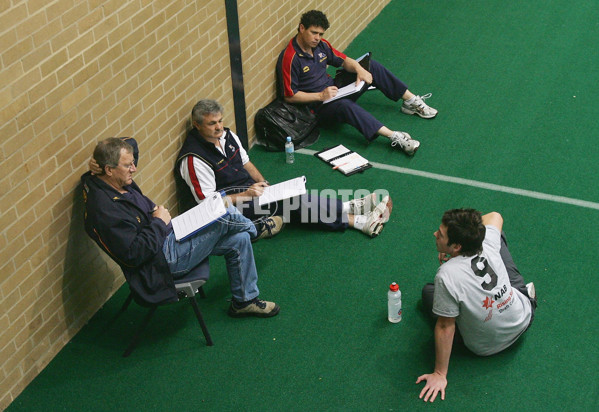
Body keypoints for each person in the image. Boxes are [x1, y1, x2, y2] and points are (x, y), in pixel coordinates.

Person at [82, 137, 279, 318]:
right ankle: (257, 229)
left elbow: (130, 143)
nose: (134, 168)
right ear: (109, 170)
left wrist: (95, 164)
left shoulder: (113, 177)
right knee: (223, 212)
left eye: (133, 162)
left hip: (171, 234)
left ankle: (245, 301)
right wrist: (158, 222)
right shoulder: (104, 209)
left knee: (238, 239)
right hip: (162, 262)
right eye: (127, 165)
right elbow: (134, 254)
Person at [175, 99, 392, 238]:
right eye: (212, 124)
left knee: (291, 197)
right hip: (231, 211)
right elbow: (207, 204)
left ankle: (348, 207)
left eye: (220, 121)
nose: (219, 127)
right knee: (292, 203)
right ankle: (356, 219)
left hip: (252, 193)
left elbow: (246, 163)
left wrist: (266, 185)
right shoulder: (194, 159)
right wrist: (246, 195)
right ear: (197, 125)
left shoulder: (227, 135)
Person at [277, 10, 438, 156]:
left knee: (370, 67)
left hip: (333, 89)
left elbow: (344, 60)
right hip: (318, 107)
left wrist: (360, 69)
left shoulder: (321, 45)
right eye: (314, 33)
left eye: (320, 34)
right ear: (302, 28)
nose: (317, 38)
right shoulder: (290, 58)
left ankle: (410, 102)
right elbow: (289, 96)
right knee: (346, 106)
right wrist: (320, 95)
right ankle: (394, 136)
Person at [417, 209, 537, 402]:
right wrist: (472, 233)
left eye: (441, 234)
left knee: (428, 293)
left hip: (485, 347)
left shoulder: (446, 275)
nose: (435, 234)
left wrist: (440, 374)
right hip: (523, 317)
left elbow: (445, 326)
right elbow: (496, 215)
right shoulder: (486, 241)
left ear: (456, 246)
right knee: (498, 235)